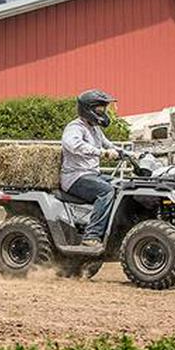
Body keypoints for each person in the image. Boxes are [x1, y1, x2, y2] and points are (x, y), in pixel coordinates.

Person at [61, 89, 126, 248]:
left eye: (104, 109)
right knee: (106, 191)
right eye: (100, 109)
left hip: (92, 175)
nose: (103, 112)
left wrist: (130, 154)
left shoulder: (95, 128)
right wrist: (102, 153)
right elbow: (73, 145)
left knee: (122, 185)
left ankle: (114, 231)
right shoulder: (75, 127)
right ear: (88, 108)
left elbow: (109, 145)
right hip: (75, 177)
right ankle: (91, 236)